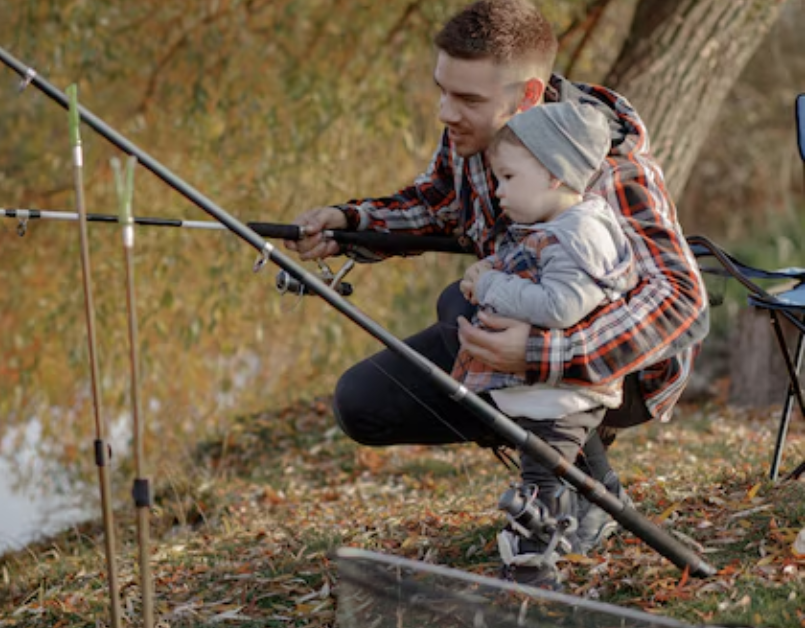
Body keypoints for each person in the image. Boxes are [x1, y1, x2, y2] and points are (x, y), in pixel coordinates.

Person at [286, 0, 708, 580]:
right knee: (362, 404)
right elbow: (437, 205)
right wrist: (351, 222)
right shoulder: (474, 138)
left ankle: (552, 491)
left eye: (468, 100)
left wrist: (543, 354)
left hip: (628, 373)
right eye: (442, 90)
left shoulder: (605, 164)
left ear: (528, 96)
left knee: (459, 304)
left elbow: (681, 299)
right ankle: (591, 484)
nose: (446, 112)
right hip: (524, 333)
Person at [451, 101, 636, 586]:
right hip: (551, 391)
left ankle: (533, 561)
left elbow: (560, 305)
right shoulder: (554, 227)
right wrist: (489, 270)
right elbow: (528, 268)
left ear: (554, 175)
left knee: (541, 477)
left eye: (509, 177)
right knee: (580, 459)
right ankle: (609, 504)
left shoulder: (581, 234)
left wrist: (491, 289)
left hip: (559, 393)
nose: (498, 189)